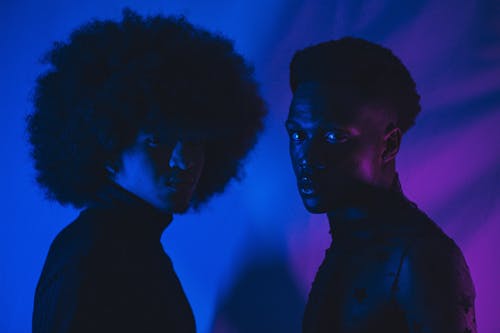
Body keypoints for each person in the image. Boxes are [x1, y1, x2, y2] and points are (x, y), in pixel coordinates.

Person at [28, 9, 266, 333]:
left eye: (196, 143)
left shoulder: (129, 247)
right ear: (109, 147)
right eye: (159, 141)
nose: (185, 161)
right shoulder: (93, 258)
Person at [286, 37, 477, 333]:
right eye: (298, 135)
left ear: (389, 145)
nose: (308, 158)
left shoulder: (420, 256)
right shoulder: (349, 247)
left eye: (334, 137)